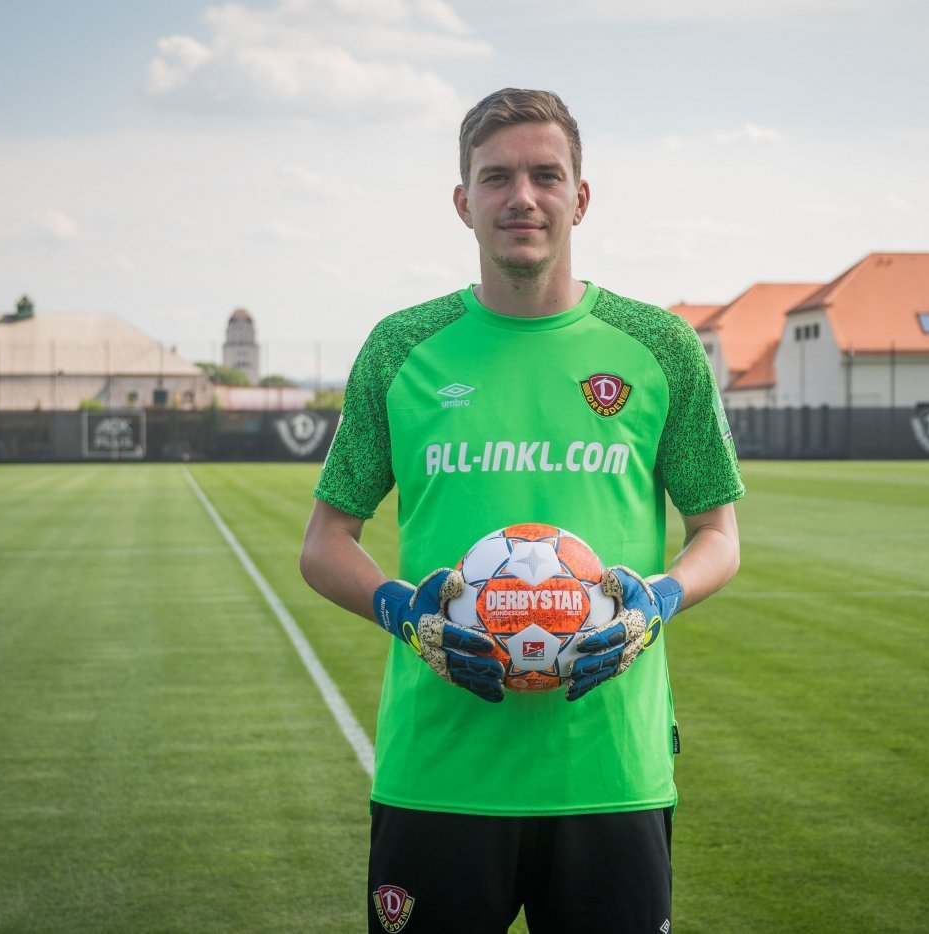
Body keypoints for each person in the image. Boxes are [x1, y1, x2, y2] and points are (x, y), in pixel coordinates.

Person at [300, 87, 744, 934]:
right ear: (463, 201)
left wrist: (660, 598)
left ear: (581, 196)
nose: (523, 197)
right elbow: (325, 542)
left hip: (611, 773)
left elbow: (717, 533)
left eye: (546, 175)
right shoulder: (401, 349)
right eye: (496, 177)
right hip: (440, 772)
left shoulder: (660, 348)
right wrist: (403, 614)